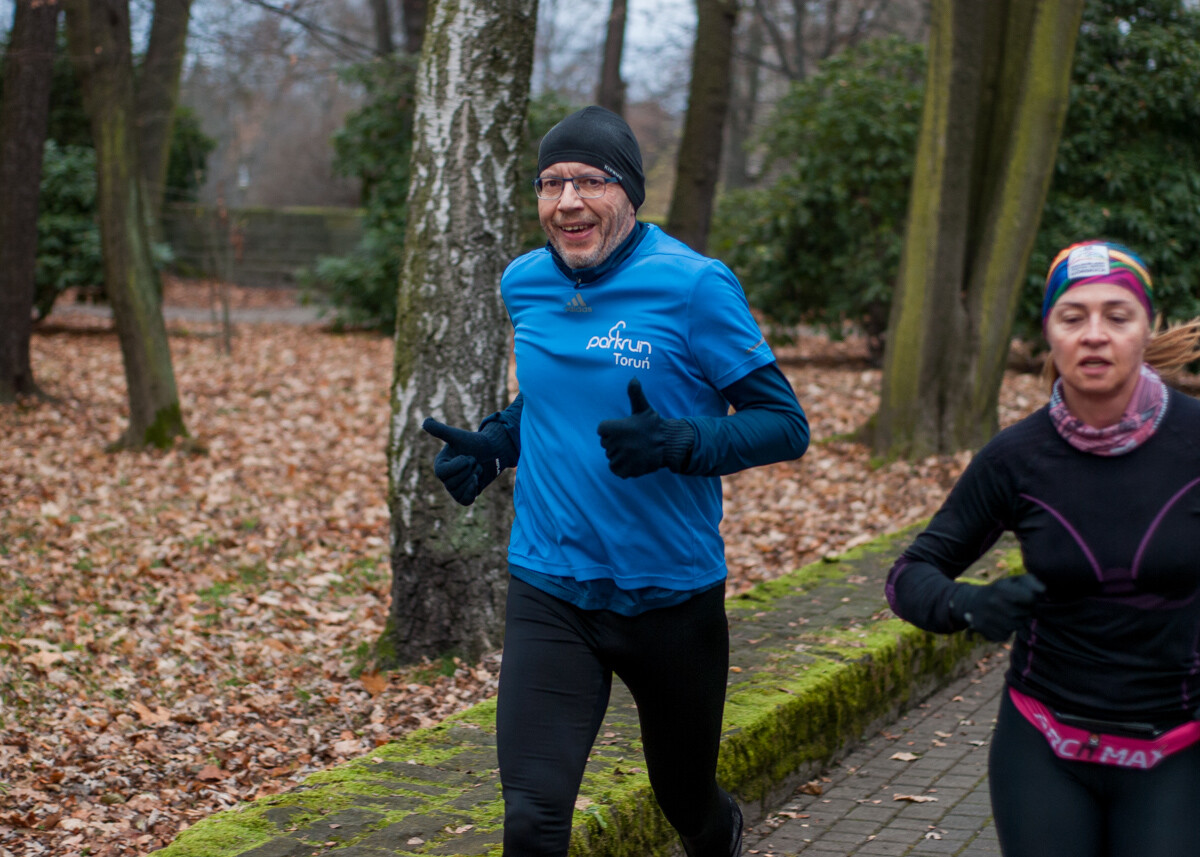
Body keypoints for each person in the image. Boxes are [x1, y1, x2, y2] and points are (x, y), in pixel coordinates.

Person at [420, 105, 809, 857]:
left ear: (629, 192)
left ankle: (719, 832)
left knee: (684, 798)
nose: (568, 200)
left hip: (671, 595)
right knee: (532, 814)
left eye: (590, 181)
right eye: (551, 182)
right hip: (552, 586)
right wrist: (499, 443)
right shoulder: (526, 283)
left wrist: (682, 439)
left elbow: (783, 422)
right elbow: (549, 395)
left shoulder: (694, 286)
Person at [885, 239, 1200, 857]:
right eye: (1073, 316)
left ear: (1146, 328)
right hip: (1045, 746)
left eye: (1117, 315)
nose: (1094, 335)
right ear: (1049, 335)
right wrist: (967, 605)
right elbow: (909, 573)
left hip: (1178, 748)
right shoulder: (1015, 457)